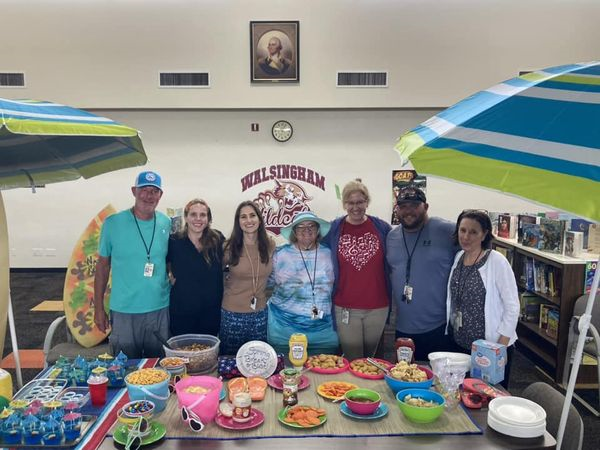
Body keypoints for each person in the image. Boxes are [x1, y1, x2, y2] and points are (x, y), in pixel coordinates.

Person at [93, 171, 171, 359]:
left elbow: (170, 260)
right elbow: (102, 267)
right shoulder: (113, 224)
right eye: (144, 190)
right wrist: (98, 309)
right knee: (125, 369)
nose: (149, 195)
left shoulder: (166, 223)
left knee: (159, 367)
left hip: (159, 309)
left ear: (160, 195)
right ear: (134, 191)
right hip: (124, 311)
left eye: (154, 191)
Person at [446, 209, 520, 387]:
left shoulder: (497, 262)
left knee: (486, 399)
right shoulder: (459, 257)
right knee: (462, 395)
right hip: (461, 345)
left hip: (490, 349)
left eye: (473, 232)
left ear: (484, 234)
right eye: (463, 230)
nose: (466, 236)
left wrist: (499, 348)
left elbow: (512, 306)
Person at [322, 179, 391, 360]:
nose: (356, 207)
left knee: (370, 360)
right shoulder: (334, 229)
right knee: (353, 359)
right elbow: (316, 250)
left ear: (367, 202)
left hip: (378, 306)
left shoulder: (381, 228)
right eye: (351, 203)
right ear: (344, 204)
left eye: (360, 202)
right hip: (345, 306)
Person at [386, 186, 457, 361]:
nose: (408, 211)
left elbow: (476, 249)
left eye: (414, 205)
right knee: (405, 377)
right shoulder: (391, 237)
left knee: (437, 382)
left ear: (426, 207)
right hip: (403, 327)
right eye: (403, 206)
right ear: (397, 209)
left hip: (439, 327)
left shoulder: (447, 230)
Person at [267, 211, 339, 355]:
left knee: (324, 371)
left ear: (318, 230)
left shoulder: (330, 254)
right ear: (294, 231)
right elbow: (266, 284)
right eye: (300, 227)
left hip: (323, 332)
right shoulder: (280, 255)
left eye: (311, 226)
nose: (307, 230)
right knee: (286, 373)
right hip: (283, 330)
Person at [220, 201, 276, 355]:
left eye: (252, 215)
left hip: (260, 314)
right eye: (243, 217)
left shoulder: (270, 245)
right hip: (232, 314)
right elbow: (213, 275)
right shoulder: (228, 247)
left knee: (258, 360)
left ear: (259, 219)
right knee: (231, 362)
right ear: (238, 222)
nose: (248, 220)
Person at [167, 199, 224, 337]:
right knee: (182, 354)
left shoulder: (218, 239)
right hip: (182, 312)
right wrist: (169, 276)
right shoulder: (174, 241)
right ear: (186, 217)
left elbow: (229, 262)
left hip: (211, 311)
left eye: (203, 215)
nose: (198, 219)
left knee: (208, 354)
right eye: (193, 214)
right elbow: (163, 264)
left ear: (208, 218)